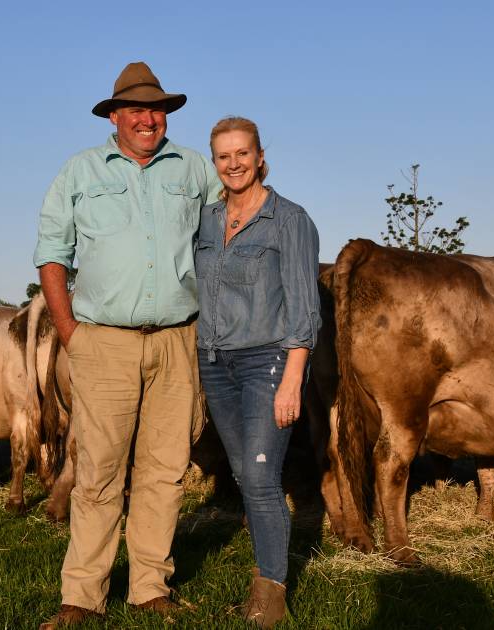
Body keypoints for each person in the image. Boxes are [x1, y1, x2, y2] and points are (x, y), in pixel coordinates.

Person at [33, 61, 219, 628]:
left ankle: (149, 587)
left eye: (157, 109)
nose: (147, 118)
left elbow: (225, 238)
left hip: (175, 340)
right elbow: (51, 254)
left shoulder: (193, 170)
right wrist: (72, 336)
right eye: (135, 109)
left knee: (165, 469)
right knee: (98, 470)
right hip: (104, 343)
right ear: (114, 117)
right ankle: (82, 596)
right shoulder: (80, 171)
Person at [194, 116, 321, 628]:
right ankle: (267, 568)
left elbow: (305, 308)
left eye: (242, 153)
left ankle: (270, 593)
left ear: (260, 156)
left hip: (266, 361)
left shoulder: (289, 220)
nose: (234, 163)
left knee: (263, 476)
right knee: (245, 472)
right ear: (215, 163)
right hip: (215, 363)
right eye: (224, 156)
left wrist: (293, 379)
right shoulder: (205, 221)